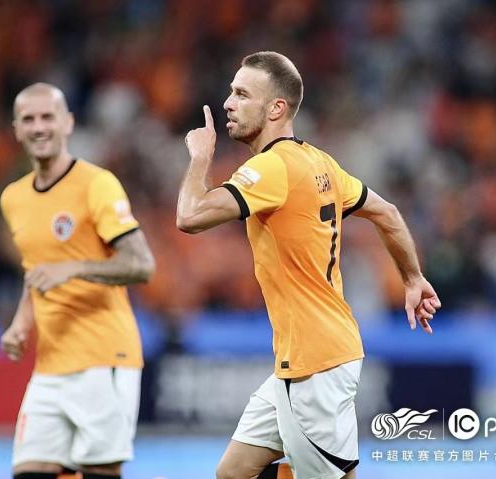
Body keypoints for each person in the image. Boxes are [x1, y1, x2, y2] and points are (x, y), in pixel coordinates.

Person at [177, 52, 441, 479]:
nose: (228, 103)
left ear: (276, 108)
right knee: (233, 473)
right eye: (231, 92)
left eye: (242, 94)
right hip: (310, 356)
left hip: (313, 366)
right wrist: (413, 278)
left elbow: (189, 217)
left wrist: (199, 158)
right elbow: (387, 213)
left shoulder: (272, 167)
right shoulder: (320, 163)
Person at [0, 83, 155, 479]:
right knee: (29, 471)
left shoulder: (96, 184)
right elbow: (35, 270)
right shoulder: (13, 198)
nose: (39, 127)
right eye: (28, 119)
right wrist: (21, 322)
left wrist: (74, 268)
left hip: (104, 358)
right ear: (16, 129)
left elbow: (141, 264)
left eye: (47, 117)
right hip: (50, 364)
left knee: (99, 472)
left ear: (68, 123)